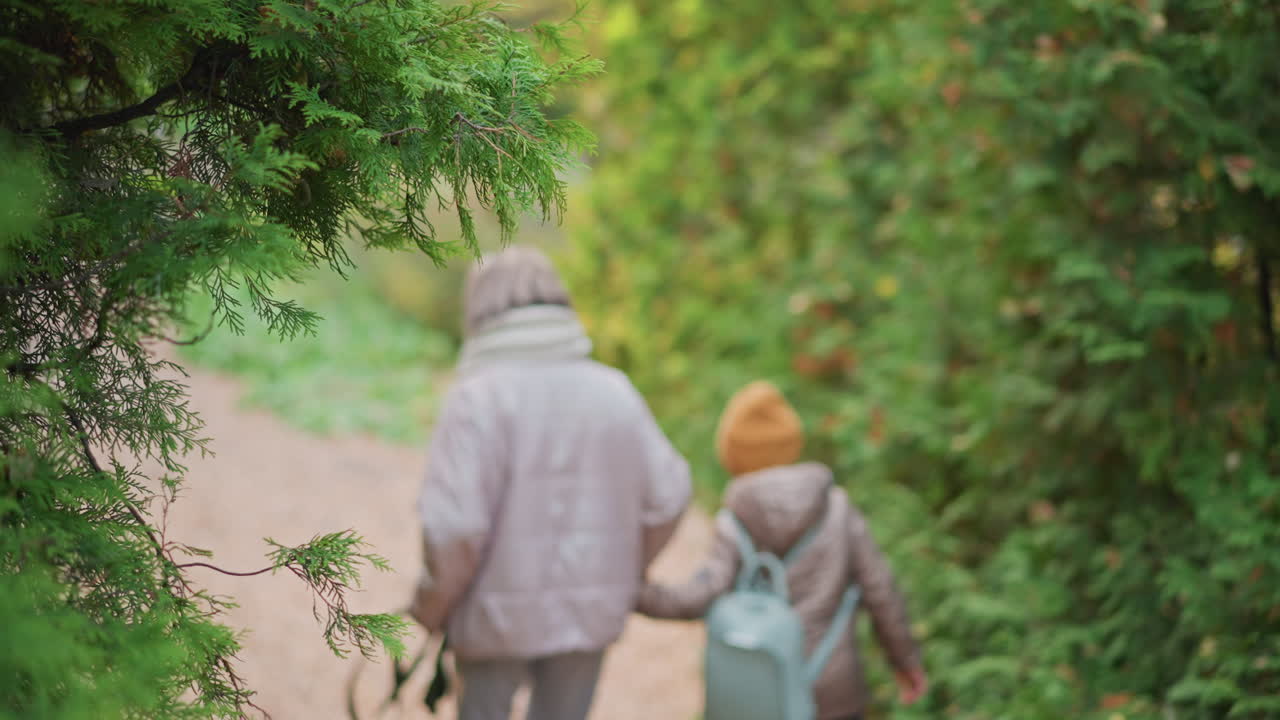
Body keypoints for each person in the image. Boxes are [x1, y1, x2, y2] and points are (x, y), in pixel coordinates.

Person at [409, 246, 692, 720]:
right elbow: (670, 496)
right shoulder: (614, 390)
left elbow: (453, 528)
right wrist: (622, 571)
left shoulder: (478, 399)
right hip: (590, 613)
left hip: (492, 621)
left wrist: (431, 606)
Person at [637, 380, 927, 720]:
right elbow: (881, 591)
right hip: (832, 687)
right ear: (792, 443)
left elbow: (699, 596)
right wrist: (906, 662)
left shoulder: (735, 521)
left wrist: (634, 593)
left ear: (732, 454)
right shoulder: (837, 508)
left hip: (761, 691)